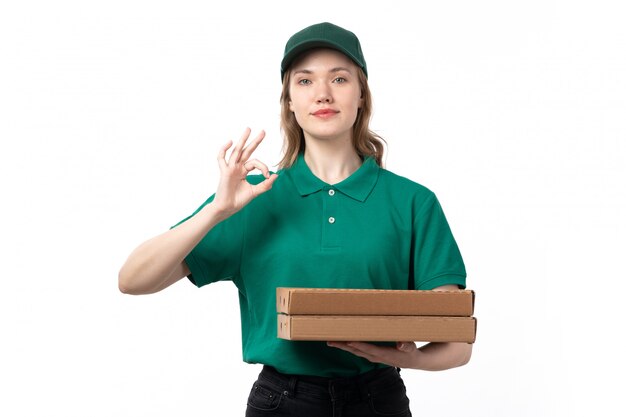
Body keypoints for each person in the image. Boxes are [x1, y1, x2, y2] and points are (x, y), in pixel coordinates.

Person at [119, 21, 472, 417]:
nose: (323, 93)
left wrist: (401, 357)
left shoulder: (413, 202)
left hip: (378, 399)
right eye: (305, 82)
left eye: (339, 78)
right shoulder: (251, 198)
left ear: (361, 95)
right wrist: (216, 211)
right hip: (282, 403)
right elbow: (133, 280)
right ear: (289, 100)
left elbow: (456, 343)